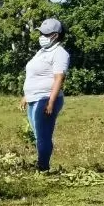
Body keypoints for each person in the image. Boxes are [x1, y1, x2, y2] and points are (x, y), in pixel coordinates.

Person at [23, 18, 69, 172]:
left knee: (43, 135)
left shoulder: (60, 53)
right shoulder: (41, 52)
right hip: (34, 97)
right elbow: (33, 74)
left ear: (55, 35)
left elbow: (59, 78)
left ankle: (43, 167)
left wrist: (51, 101)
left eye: (45, 33)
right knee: (38, 134)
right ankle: (41, 164)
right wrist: (26, 95)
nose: (41, 36)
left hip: (45, 98)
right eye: (41, 32)